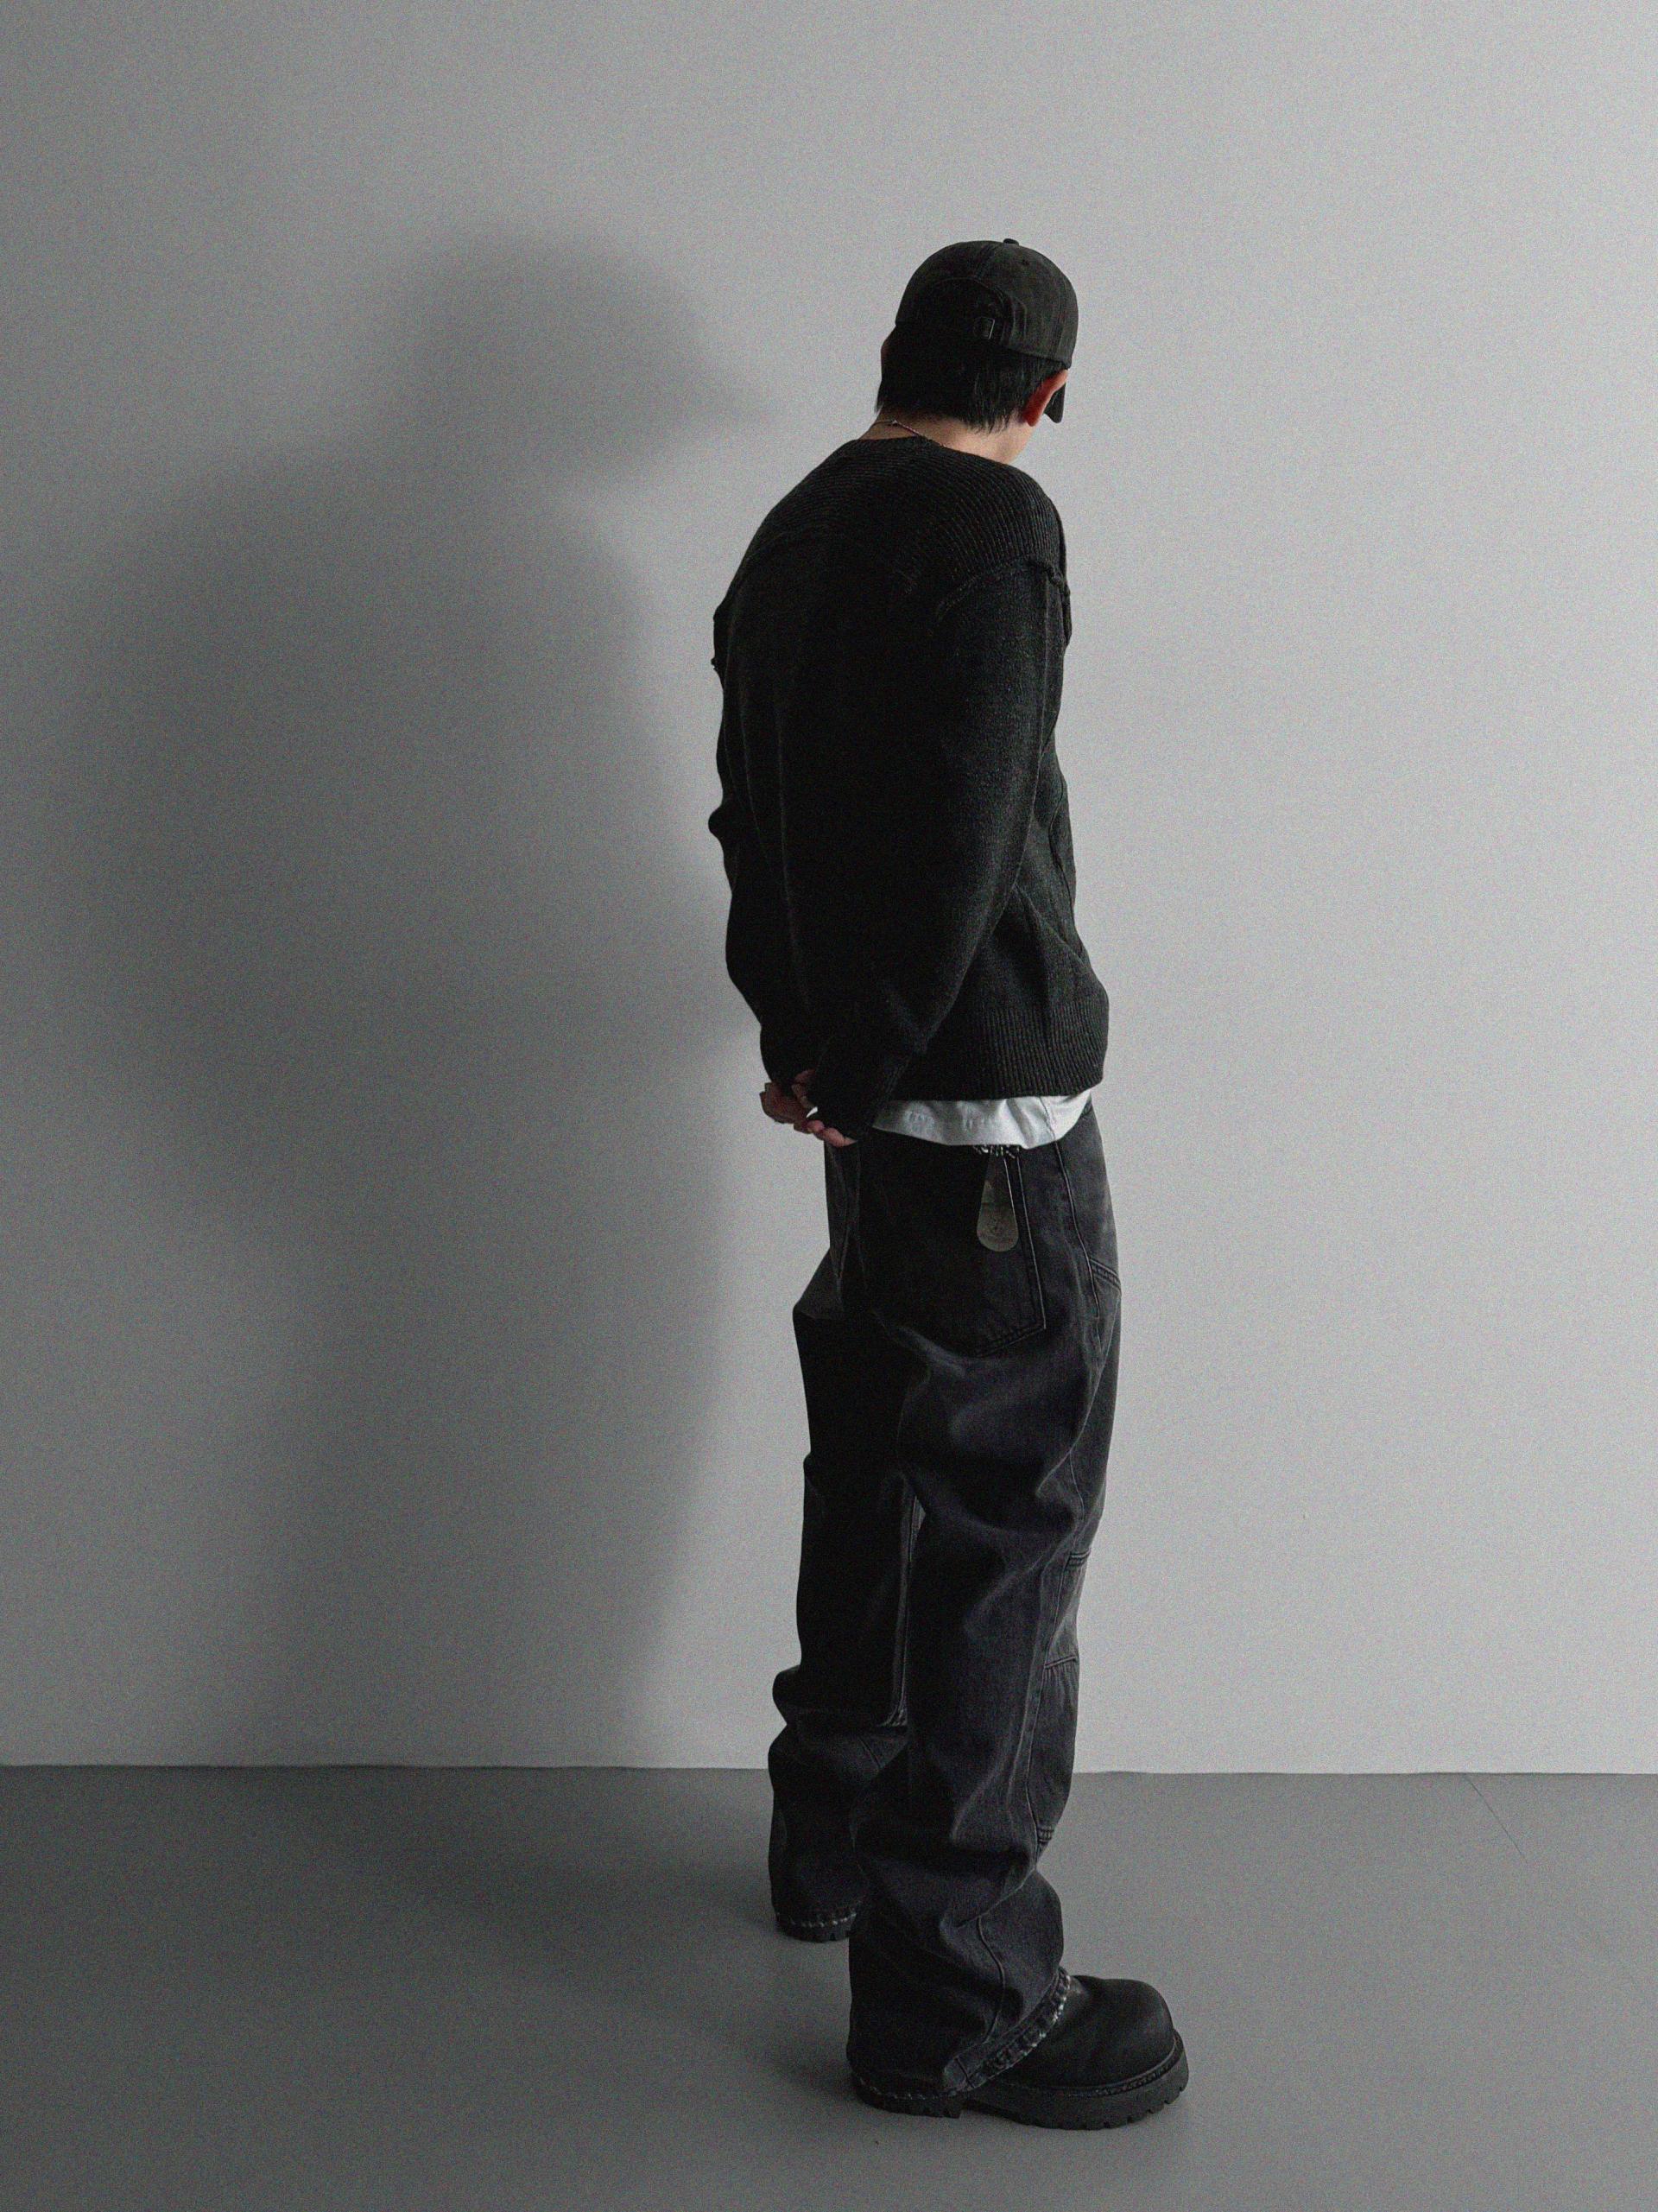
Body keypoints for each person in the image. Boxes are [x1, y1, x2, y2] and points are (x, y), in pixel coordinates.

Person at [706, 239, 1189, 2130]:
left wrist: (809, 1039)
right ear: (1050, 393)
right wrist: (880, 1048)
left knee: (881, 1466)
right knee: (1006, 1516)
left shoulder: (796, 527)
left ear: (893, 354)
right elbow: (967, 829)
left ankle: (830, 1840)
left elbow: (748, 808)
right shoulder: (999, 529)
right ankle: (960, 1990)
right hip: (983, 1102)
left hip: (870, 1100)